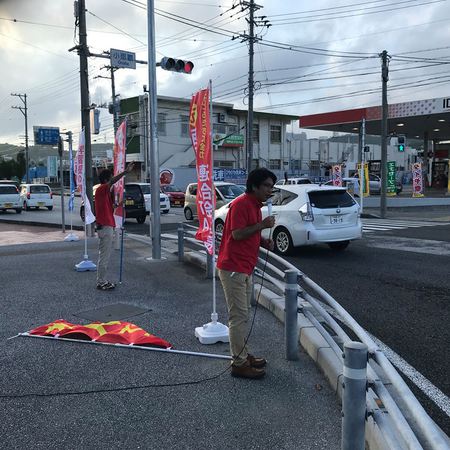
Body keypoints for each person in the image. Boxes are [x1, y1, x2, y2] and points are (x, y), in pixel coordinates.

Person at [217, 168, 277, 379]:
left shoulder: (255, 206)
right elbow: (237, 233)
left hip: (244, 267)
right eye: (267, 186)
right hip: (233, 267)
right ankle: (239, 363)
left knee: (244, 315)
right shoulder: (242, 204)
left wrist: (262, 240)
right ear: (254, 186)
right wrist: (262, 225)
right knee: (238, 316)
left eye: (272, 186)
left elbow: (249, 231)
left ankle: (242, 354)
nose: (270, 190)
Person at [95, 162, 134, 291]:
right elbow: (112, 181)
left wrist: (118, 205)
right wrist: (125, 172)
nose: (112, 183)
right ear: (106, 180)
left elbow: (110, 208)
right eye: (110, 178)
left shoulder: (104, 193)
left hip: (107, 226)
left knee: (104, 255)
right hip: (105, 227)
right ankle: (101, 281)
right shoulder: (102, 189)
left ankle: (102, 280)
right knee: (104, 256)